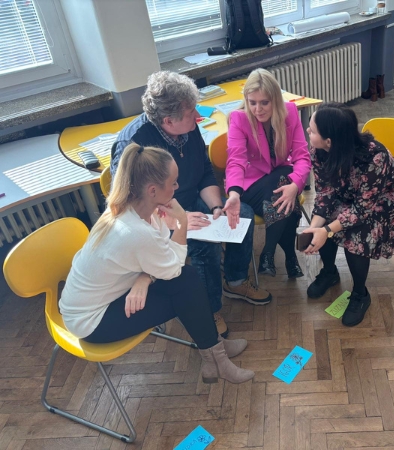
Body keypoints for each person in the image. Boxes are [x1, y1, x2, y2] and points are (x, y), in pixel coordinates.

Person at [60, 144, 254, 384]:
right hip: (90, 321)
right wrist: (181, 222)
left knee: (187, 281)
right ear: (152, 190)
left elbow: (160, 252)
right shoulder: (134, 230)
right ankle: (216, 358)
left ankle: (215, 350)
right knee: (186, 289)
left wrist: (145, 278)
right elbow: (172, 268)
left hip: (103, 297)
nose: (177, 187)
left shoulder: (136, 209)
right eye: (173, 183)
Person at [111, 71, 272, 338]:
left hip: (190, 200)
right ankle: (209, 309)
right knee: (204, 245)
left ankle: (235, 282)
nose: (197, 116)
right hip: (158, 218)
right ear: (168, 121)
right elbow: (131, 206)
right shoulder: (134, 145)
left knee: (240, 214)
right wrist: (179, 219)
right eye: (190, 113)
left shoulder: (187, 127)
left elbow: (204, 171)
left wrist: (217, 208)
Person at [302, 103, 394, 327]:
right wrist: (315, 227)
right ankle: (329, 272)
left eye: (312, 130)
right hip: (349, 193)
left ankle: (360, 293)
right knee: (323, 221)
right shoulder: (318, 151)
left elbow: (362, 209)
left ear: (329, 141)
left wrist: (327, 230)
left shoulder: (375, 157)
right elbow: (325, 192)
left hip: (384, 199)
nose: (308, 131)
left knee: (357, 234)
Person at [226, 68, 311, 278]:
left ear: (275, 100)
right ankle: (286, 256)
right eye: (252, 102)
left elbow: (302, 156)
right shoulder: (238, 118)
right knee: (284, 192)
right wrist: (234, 193)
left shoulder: (290, 112)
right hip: (253, 185)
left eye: (264, 102)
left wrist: (295, 186)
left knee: (283, 188)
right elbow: (236, 161)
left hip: (280, 182)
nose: (258, 109)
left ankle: (271, 253)